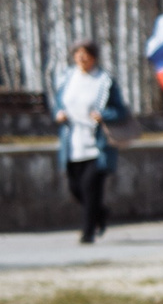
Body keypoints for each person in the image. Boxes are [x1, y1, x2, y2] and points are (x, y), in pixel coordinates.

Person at [50, 40, 128, 245]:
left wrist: (103, 115)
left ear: (94, 57)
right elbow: (57, 104)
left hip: (98, 146)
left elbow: (121, 111)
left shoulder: (104, 81)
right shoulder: (67, 78)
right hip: (72, 144)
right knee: (76, 189)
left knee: (90, 187)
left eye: (86, 54)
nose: (82, 58)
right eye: (78, 54)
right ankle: (100, 214)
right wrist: (58, 114)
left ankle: (88, 233)